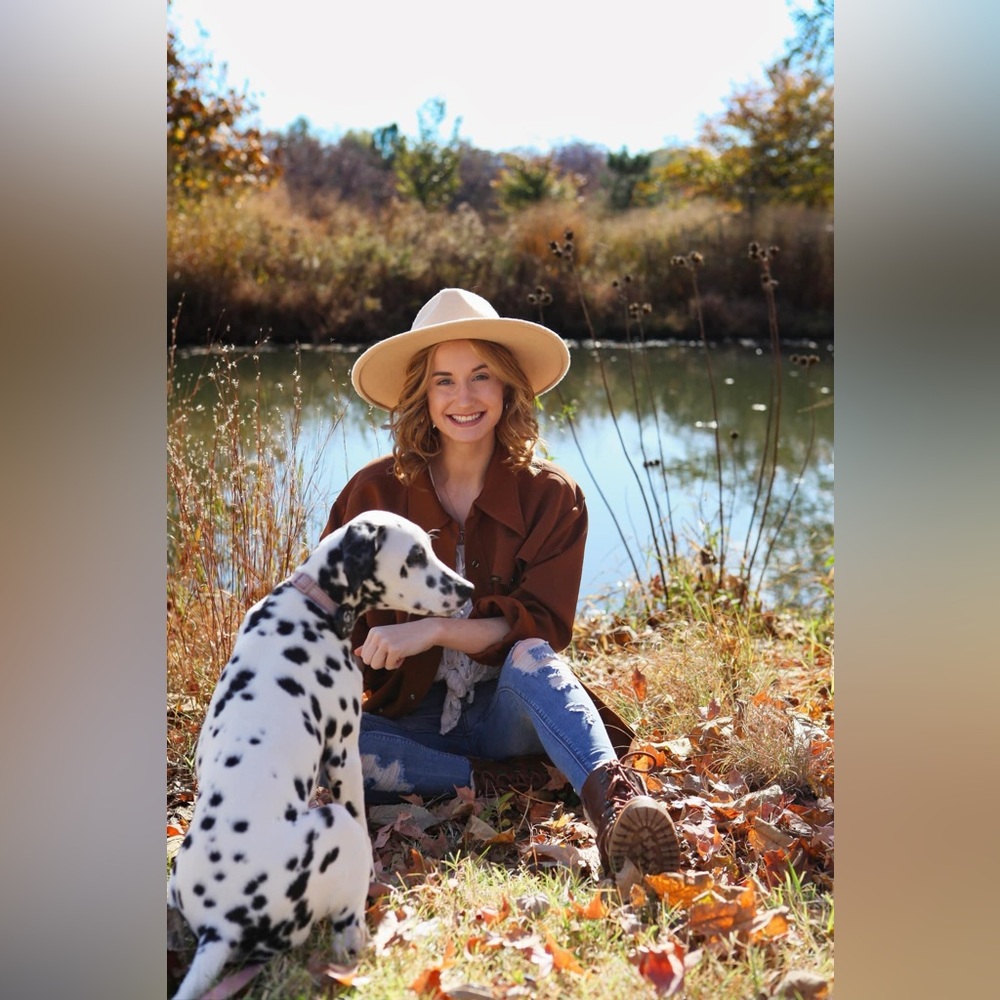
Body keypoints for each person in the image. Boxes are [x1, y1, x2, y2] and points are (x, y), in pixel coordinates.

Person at [320, 288, 680, 876]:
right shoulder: (371, 496)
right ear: (421, 394)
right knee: (327, 749)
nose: (464, 398)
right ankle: (502, 781)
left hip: (506, 713)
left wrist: (433, 629)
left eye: (481, 376)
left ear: (509, 384)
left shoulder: (551, 496)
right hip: (406, 721)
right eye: (444, 380)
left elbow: (541, 625)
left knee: (534, 655)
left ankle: (615, 810)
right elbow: (321, 625)